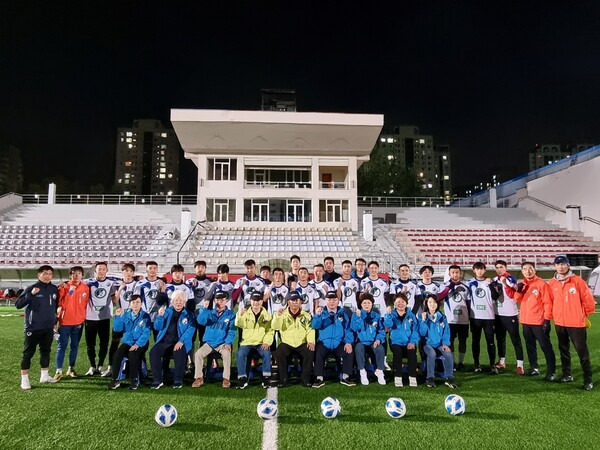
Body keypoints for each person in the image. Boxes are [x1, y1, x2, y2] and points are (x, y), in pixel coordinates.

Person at [548, 255, 595, 390]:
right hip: (559, 323)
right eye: (558, 264)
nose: (561, 267)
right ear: (555, 266)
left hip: (576, 323)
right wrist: (552, 316)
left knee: (582, 352)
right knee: (563, 350)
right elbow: (550, 301)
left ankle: (588, 379)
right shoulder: (552, 283)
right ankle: (567, 375)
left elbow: (588, 300)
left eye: (563, 264)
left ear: (568, 265)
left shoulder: (578, 281)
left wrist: (582, 315)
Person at [504, 262, 556, 379]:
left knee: (545, 347)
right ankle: (534, 368)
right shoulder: (522, 284)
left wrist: (547, 320)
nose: (528, 271)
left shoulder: (542, 284)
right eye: (525, 269)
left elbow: (548, 303)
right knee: (530, 346)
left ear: (535, 270)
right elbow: (517, 299)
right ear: (522, 271)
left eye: (530, 268)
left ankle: (551, 372)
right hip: (526, 321)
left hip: (539, 321)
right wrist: (519, 290)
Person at [16, 265, 59, 390]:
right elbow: (18, 305)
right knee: (28, 353)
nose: (47, 276)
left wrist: (55, 322)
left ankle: (44, 376)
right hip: (33, 327)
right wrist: (31, 294)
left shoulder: (54, 289)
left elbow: (55, 307)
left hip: (48, 327)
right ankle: (24, 380)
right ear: (38, 275)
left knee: (45, 351)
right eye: (45, 273)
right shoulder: (31, 288)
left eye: (50, 274)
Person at [150, 290, 196, 389]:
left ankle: (178, 379)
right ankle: (157, 380)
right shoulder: (166, 312)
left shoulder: (189, 314)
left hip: (180, 342)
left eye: (181, 300)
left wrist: (181, 341)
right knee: (154, 351)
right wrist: (160, 316)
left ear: (184, 302)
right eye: (176, 300)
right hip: (164, 341)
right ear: (172, 301)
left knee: (179, 351)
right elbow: (157, 327)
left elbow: (191, 329)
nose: (178, 302)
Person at [193, 290, 237, 388]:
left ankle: (226, 378)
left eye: (222, 300)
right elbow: (200, 321)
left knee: (226, 354)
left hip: (222, 343)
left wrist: (228, 342)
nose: (219, 302)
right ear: (214, 301)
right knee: (198, 354)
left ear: (226, 301)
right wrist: (204, 309)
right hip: (209, 343)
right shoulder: (209, 313)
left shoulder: (231, 314)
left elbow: (232, 330)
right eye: (217, 300)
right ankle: (199, 378)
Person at [311, 291, 355, 388]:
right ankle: (319, 378)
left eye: (334, 300)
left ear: (338, 301)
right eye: (329, 300)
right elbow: (315, 326)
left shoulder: (343, 313)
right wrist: (317, 316)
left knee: (349, 351)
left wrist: (348, 342)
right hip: (324, 342)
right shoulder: (321, 312)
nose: (332, 302)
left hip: (339, 342)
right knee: (318, 352)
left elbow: (348, 329)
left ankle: (346, 377)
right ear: (325, 301)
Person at [272, 291, 315, 387]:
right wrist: (278, 316)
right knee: (279, 351)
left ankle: (305, 378)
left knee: (310, 351)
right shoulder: (282, 314)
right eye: (293, 300)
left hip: (302, 343)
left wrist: (311, 341)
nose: (295, 302)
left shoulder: (306, 315)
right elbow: (275, 327)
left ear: (300, 302)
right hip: (287, 343)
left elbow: (310, 330)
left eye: (297, 300)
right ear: (288, 302)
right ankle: (283, 378)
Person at [54, 266, 89, 380]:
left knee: (74, 346)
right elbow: (61, 304)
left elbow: (85, 304)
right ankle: (58, 370)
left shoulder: (85, 287)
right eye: (74, 273)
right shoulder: (64, 287)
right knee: (62, 346)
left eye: (79, 273)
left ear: (82, 275)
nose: (76, 275)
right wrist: (70, 292)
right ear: (70, 275)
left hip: (78, 322)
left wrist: (82, 317)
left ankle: (71, 368)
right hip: (65, 322)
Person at [108, 295, 151, 390]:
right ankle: (115, 380)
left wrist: (137, 344)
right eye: (133, 302)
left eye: (138, 302)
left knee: (133, 354)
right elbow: (117, 329)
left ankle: (134, 380)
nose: (135, 304)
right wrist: (117, 317)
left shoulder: (145, 316)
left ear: (141, 304)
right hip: (128, 342)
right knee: (117, 355)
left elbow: (146, 333)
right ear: (130, 304)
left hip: (141, 343)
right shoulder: (125, 315)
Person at [84, 261, 119, 376]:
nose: (101, 271)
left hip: (104, 317)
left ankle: (100, 365)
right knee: (90, 344)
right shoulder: (88, 282)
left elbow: (115, 299)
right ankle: (92, 366)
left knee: (104, 343)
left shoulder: (111, 283)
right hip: (90, 317)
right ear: (95, 270)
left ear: (107, 271)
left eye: (104, 269)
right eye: (99, 269)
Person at [235, 291, 274, 389]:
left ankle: (266, 377)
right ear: (250, 301)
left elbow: (270, 331)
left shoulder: (267, 316)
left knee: (266, 353)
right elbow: (238, 324)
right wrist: (240, 315)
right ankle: (242, 378)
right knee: (240, 354)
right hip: (247, 342)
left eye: (258, 301)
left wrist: (267, 342)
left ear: (261, 302)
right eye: (254, 300)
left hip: (260, 343)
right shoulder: (245, 313)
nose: (256, 303)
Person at [104, 263, 137, 378]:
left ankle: (134, 367)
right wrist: (120, 289)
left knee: (134, 343)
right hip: (120, 319)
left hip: (132, 320)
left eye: (130, 271)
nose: (128, 273)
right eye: (126, 271)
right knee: (115, 343)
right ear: (122, 272)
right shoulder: (117, 284)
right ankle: (111, 367)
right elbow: (114, 301)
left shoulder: (137, 284)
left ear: (133, 273)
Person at [492, 260, 524, 374]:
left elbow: (514, 291)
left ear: (506, 268)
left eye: (501, 267)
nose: (499, 269)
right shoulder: (494, 280)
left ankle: (520, 365)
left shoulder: (510, 278)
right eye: (497, 267)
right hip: (498, 314)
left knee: (515, 340)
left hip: (510, 314)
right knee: (500, 339)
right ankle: (502, 361)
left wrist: (505, 283)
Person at [418, 293, 457, 388]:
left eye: (434, 302)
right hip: (427, 344)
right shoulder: (422, 316)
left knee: (448, 354)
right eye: (430, 302)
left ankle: (449, 378)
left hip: (439, 344)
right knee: (432, 354)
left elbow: (446, 332)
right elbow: (422, 333)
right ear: (426, 304)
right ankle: (430, 378)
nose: (432, 304)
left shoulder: (442, 317)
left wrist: (445, 344)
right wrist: (423, 321)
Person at [467, 262, 499, 374]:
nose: (479, 271)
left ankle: (492, 365)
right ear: (474, 270)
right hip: (475, 317)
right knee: (475, 341)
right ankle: (476, 364)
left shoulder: (491, 282)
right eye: (477, 269)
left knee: (490, 341)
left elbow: (495, 296)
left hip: (489, 317)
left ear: (485, 270)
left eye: (481, 269)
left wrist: (490, 285)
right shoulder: (470, 283)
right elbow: (467, 299)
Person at [437, 264, 470, 371]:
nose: (455, 275)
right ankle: (451, 362)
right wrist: (450, 287)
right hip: (450, 319)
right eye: (453, 273)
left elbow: (469, 303)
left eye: (457, 272)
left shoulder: (465, 287)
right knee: (450, 341)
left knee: (462, 341)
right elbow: (439, 297)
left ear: (460, 274)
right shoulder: (444, 286)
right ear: (449, 274)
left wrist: (469, 317)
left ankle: (461, 362)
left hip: (463, 320)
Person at [384, 292, 419, 388]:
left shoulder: (411, 315)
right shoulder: (391, 314)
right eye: (398, 302)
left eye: (403, 302)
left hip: (408, 342)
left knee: (412, 352)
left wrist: (412, 342)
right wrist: (388, 314)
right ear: (394, 303)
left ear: (406, 303)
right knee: (397, 352)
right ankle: (397, 376)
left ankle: (412, 376)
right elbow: (388, 325)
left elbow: (415, 331)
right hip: (395, 341)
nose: (400, 304)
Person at [351, 294, 386, 385]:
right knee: (359, 348)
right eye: (364, 303)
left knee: (380, 349)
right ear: (361, 304)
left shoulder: (376, 316)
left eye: (369, 303)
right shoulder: (356, 315)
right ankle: (362, 372)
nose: (367, 305)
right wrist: (359, 318)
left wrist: (378, 340)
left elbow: (381, 331)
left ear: (372, 304)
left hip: (373, 342)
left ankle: (380, 371)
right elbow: (354, 328)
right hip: (361, 341)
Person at [134, 261, 167, 337]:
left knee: (158, 340)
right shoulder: (140, 284)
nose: (152, 270)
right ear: (146, 270)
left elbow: (165, 301)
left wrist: (162, 289)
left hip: (158, 317)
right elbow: (136, 301)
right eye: (150, 268)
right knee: (142, 340)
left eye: (155, 268)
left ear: (157, 270)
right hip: (144, 317)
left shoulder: (162, 283)